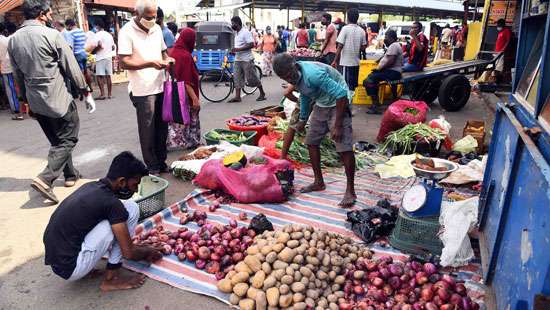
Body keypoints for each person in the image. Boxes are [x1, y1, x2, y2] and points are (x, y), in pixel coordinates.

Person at [9, 0, 93, 203]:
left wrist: (24, 100)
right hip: (58, 97)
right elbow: (71, 65)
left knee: (57, 140)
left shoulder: (13, 39)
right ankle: (45, 179)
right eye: (48, 13)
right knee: (68, 138)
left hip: (35, 100)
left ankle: (70, 175)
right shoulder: (51, 34)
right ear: (41, 15)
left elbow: (17, 74)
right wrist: (85, 90)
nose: (50, 17)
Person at [43, 151, 163, 291]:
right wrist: (147, 252)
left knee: (130, 207)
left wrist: (135, 247)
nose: (136, 190)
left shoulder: (91, 186)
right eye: (135, 185)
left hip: (59, 261)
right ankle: (111, 279)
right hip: (70, 267)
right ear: (122, 182)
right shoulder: (112, 204)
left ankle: (88, 263)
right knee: (116, 222)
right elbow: (129, 254)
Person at [273, 53, 356, 207]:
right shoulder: (295, 78)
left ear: (295, 65)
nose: (289, 79)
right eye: (285, 78)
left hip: (339, 104)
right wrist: (302, 120)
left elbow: (342, 94)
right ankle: (319, 181)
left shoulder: (313, 75)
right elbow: (306, 95)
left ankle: (350, 190)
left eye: (289, 75)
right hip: (322, 103)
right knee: (311, 142)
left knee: (343, 147)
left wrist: (337, 125)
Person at [118, 0, 174, 175]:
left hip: (160, 84)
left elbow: (163, 51)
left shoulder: (157, 29)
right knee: (147, 130)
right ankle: (152, 165)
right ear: (137, 14)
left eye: (154, 16)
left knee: (162, 127)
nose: (152, 20)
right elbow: (124, 61)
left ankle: (161, 160)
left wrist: (167, 60)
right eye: (148, 17)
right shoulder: (127, 31)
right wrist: (150, 63)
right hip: (142, 90)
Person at [167, 27, 201, 150]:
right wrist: (195, 99)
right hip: (185, 94)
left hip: (175, 93)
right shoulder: (185, 56)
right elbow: (186, 81)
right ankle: (191, 142)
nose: (195, 42)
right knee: (191, 115)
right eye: (194, 39)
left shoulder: (174, 52)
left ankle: (181, 141)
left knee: (179, 117)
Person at [227, 16, 266, 103]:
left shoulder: (245, 32)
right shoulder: (236, 33)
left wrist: (238, 49)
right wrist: (234, 51)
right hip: (238, 59)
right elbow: (239, 46)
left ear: (238, 23)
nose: (232, 25)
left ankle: (262, 93)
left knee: (252, 78)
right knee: (237, 78)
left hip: (246, 59)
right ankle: (237, 97)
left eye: (233, 23)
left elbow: (251, 44)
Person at [363, 30, 402, 115]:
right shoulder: (393, 45)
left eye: (386, 37)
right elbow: (387, 57)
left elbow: (391, 61)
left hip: (392, 72)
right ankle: (376, 103)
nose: (385, 39)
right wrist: (379, 62)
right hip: (391, 71)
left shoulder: (394, 46)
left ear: (391, 37)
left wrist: (379, 69)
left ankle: (375, 106)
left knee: (369, 80)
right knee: (372, 78)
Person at [333, 8, 367, 95]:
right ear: (357, 18)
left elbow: (340, 46)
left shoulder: (345, 29)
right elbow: (363, 47)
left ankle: (348, 103)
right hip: (356, 62)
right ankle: (352, 101)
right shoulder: (362, 31)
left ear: (348, 17)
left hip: (346, 63)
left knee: (346, 85)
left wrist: (335, 60)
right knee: (354, 84)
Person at [0, 22, 23, 120]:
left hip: (6, 66)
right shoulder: (7, 39)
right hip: (13, 65)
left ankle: (16, 109)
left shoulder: (3, 40)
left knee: (10, 88)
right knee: (17, 87)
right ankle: (20, 107)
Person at [65, 18, 94, 93]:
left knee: (80, 72)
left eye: (67, 26)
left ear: (69, 25)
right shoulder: (81, 31)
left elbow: (71, 46)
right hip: (83, 52)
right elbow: (85, 39)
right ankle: (90, 86)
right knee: (86, 70)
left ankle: (84, 88)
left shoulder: (70, 33)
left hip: (77, 54)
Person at [92, 19, 116, 100]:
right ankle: (109, 94)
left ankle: (102, 94)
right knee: (108, 76)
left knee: (100, 76)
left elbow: (96, 46)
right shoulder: (109, 35)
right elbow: (113, 47)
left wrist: (93, 52)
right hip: (108, 57)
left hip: (100, 57)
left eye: (95, 25)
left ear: (97, 26)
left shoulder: (97, 35)